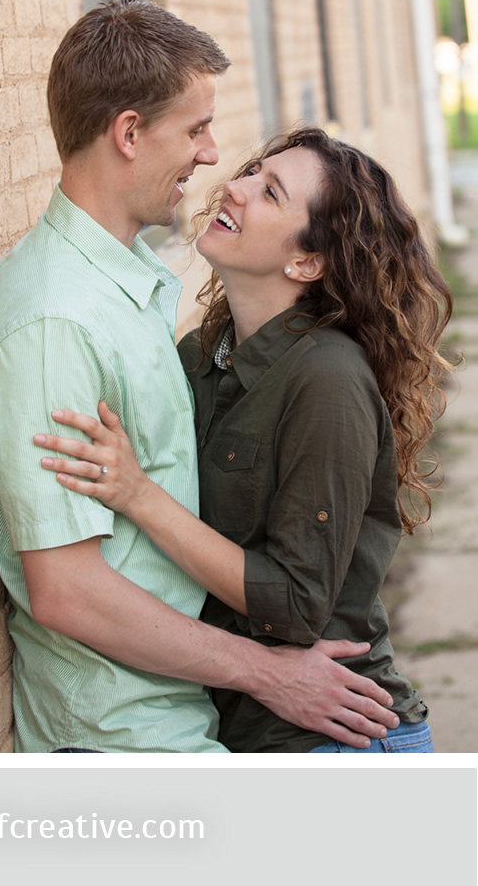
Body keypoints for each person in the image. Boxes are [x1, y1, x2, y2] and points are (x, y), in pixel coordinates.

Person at [0, 0, 399, 753]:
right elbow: (68, 591)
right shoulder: (52, 325)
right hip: (121, 738)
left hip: (191, 723)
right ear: (129, 133)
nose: (214, 157)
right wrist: (266, 672)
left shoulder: (138, 296)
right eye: (196, 129)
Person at [36, 127, 449, 752]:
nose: (234, 185)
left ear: (305, 261)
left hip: (337, 736)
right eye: (253, 172)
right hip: (238, 732)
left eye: (271, 191)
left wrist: (138, 495)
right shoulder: (201, 355)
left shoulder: (327, 379)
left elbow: (296, 602)